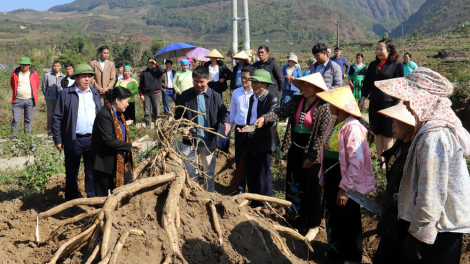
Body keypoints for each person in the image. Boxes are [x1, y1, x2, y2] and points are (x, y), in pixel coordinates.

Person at [374, 68, 470, 264]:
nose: (407, 105)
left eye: (409, 99)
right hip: (440, 225)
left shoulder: (433, 136)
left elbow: (432, 192)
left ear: (422, 99)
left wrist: (418, 236)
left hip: (439, 231)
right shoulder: (436, 130)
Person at [254, 73, 331, 240]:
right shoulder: (296, 101)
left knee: (312, 190)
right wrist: (265, 118)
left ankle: (313, 225)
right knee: (294, 184)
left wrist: (312, 157)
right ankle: (294, 221)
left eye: (308, 86)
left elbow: (321, 136)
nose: (304, 89)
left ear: (318, 88)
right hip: (295, 149)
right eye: (302, 85)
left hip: (312, 154)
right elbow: (280, 113)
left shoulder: (324, 107)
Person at [317, 86, 375, 264]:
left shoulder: (353, 128)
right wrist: (323, 176)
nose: (328, 105)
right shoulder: (333, 122)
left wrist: (344, 189)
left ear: (341, 106)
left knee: (347, 219)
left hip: (344, 181)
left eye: (332, 102)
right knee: (332, 216)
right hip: (332, 177)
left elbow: (356, 162)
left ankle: (350, 257)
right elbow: (325, 151)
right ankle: (335, 252)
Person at [51, 64, 101, 209]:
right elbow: (56, 117)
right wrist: (58, 139)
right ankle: (72, 202)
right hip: (73, 139)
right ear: (76, 77)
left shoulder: (95, 93)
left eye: (89, 76)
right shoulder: (65, 94)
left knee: (91, 170)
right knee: (72, 171)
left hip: (92, 139)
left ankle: (92, 197)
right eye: (84, 76)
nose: (87, 79)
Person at [175, 66, 230, 192]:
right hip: (189, 141)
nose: (199, 84)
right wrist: (183, 128)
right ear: (192, 80)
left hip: (208, 141)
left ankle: (208, 194)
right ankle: (192, 194)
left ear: (208, 80)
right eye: (196, 81)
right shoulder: (185, 96)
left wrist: (226, 122)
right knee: (190, 172)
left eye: (202, 82)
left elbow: (223, 112)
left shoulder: (215, 96)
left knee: (208, 172)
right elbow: (178, 116)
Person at [373, 103, 415, 264]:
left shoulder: (412, 151)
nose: (392, 125)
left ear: (409, 126)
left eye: (397, 122)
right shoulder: (398, 145)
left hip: (401, 218)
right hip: (390, 213)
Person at [236, 69, 279, 207]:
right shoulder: (251, 98)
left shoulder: (272, 99)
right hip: (251, 139)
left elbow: (272, 116)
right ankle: (254, 202)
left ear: (265, 84)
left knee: (263, 173)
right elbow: (252, 118)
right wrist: (246, 128)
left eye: (256, 82)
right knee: (251, 171)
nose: (252, 84)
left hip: (264, 141)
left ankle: (267, 204)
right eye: (252, 81)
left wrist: (261, 121)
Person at [359, 39, 404, 170]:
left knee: (388, 132)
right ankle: (380, 160)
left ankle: (388, 160)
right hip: (374, 102)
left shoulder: (396, 65)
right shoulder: (373, 65)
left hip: (389, 103)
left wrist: (400, 102)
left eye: (381, 49)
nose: (378, 51)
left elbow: (400, 84)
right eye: (377, 49)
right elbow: (367, 83)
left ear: (389, 51)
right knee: (377, 131)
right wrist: (362, 98)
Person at [90, 87, 143, 196]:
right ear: (117, 100)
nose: (128, 104)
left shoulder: (119, 115)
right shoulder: (104, 115)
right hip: (104, 163)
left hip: (118, 161)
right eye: (126, 101)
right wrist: (131, 145)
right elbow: (109, 141)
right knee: (102, 197)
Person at [229, 66, 255, 193]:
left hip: (252, 129)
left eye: (246, 78)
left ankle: (252, 188)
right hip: (239, 129)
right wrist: (229, 126)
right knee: (239, 158)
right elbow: (232, 111)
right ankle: (239, 187)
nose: (243, 80)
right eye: (242, 77)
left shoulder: (256, 94)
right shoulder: (236, 92)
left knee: (252, 158)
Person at [10, 57, 39, 137]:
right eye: (23, 64)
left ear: (29, 65)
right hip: (17, 100)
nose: (24, 66)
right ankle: (14, 137)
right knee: (16, 120)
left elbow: (36, 85)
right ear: (20, 65)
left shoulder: (34, 73)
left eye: (26, 65)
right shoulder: (14, 74)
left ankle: (26, 137)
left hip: (30, 100)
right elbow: (12, 84)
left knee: (28, 120)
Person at [138, 57, 165, 127]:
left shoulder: (157, 72)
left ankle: (157, 126)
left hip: (156, 93)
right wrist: (141, 94)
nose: (150, 64)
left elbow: (162, 71)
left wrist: (156, 63)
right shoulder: (144, 73)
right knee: (147, 111)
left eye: (152, 63)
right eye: (149, 62)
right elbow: (140, 84)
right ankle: (148, 126)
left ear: (155, 63)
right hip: (146, 94)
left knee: (157, 111)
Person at [42, 61, 66, 135]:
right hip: (50, 99)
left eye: (57, 66)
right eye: (55, 66)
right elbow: (43, 87)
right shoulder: (47, 75)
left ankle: (59, 132)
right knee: (50, 116)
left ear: (60, 67)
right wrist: (47, 95)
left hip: (60, 100)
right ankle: (49, 132)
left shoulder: (63, 76)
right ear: (52, 66)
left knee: (60, 116)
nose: (56, 67)